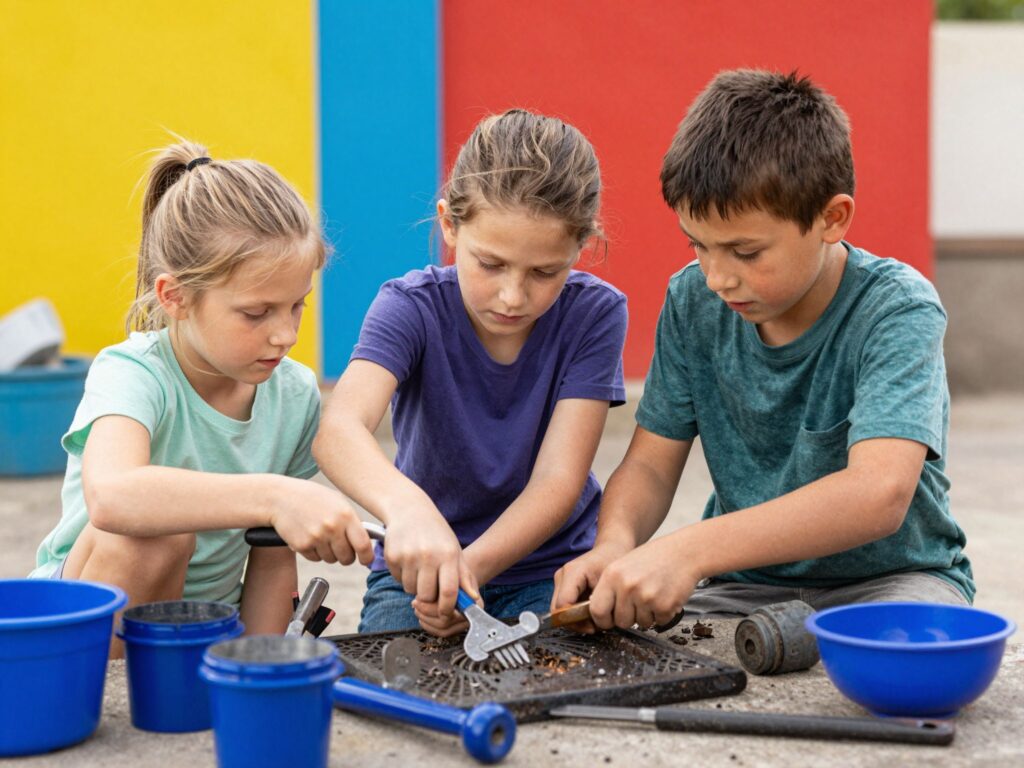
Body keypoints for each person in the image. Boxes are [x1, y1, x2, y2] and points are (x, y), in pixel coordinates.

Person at [552, 69, 973, 630]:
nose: (718, 277)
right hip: (746, 586)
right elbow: (652, 463)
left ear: (831, 218)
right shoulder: (691, 301)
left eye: (745, 252)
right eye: (699, 246)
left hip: (895, 585)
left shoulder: (896, 309)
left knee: (912, 649)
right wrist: (616, 544)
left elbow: (879, 492)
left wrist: (689, 550)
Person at [31, 141, 374, 654]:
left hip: (202, 630)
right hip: (80, 634)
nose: (285, 335)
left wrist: (260, 668)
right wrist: (277, 496)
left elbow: (272, 555)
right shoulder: (133, 373)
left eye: (296, 306)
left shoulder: (294, 392)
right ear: (175, 297)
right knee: (157, 536)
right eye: (257, 313)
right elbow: (112, 496)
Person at [314, 109, 628, 635]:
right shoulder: (409, 307)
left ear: (581, 247)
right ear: (449, 224)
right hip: (419, 570)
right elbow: (338, 431)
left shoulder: (595, 314)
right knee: (402, 687)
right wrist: (409, 512)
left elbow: (559, 479)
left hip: (551, 566)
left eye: (545, 272)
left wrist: (470, 572)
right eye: (490, 264)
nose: (512, 296)